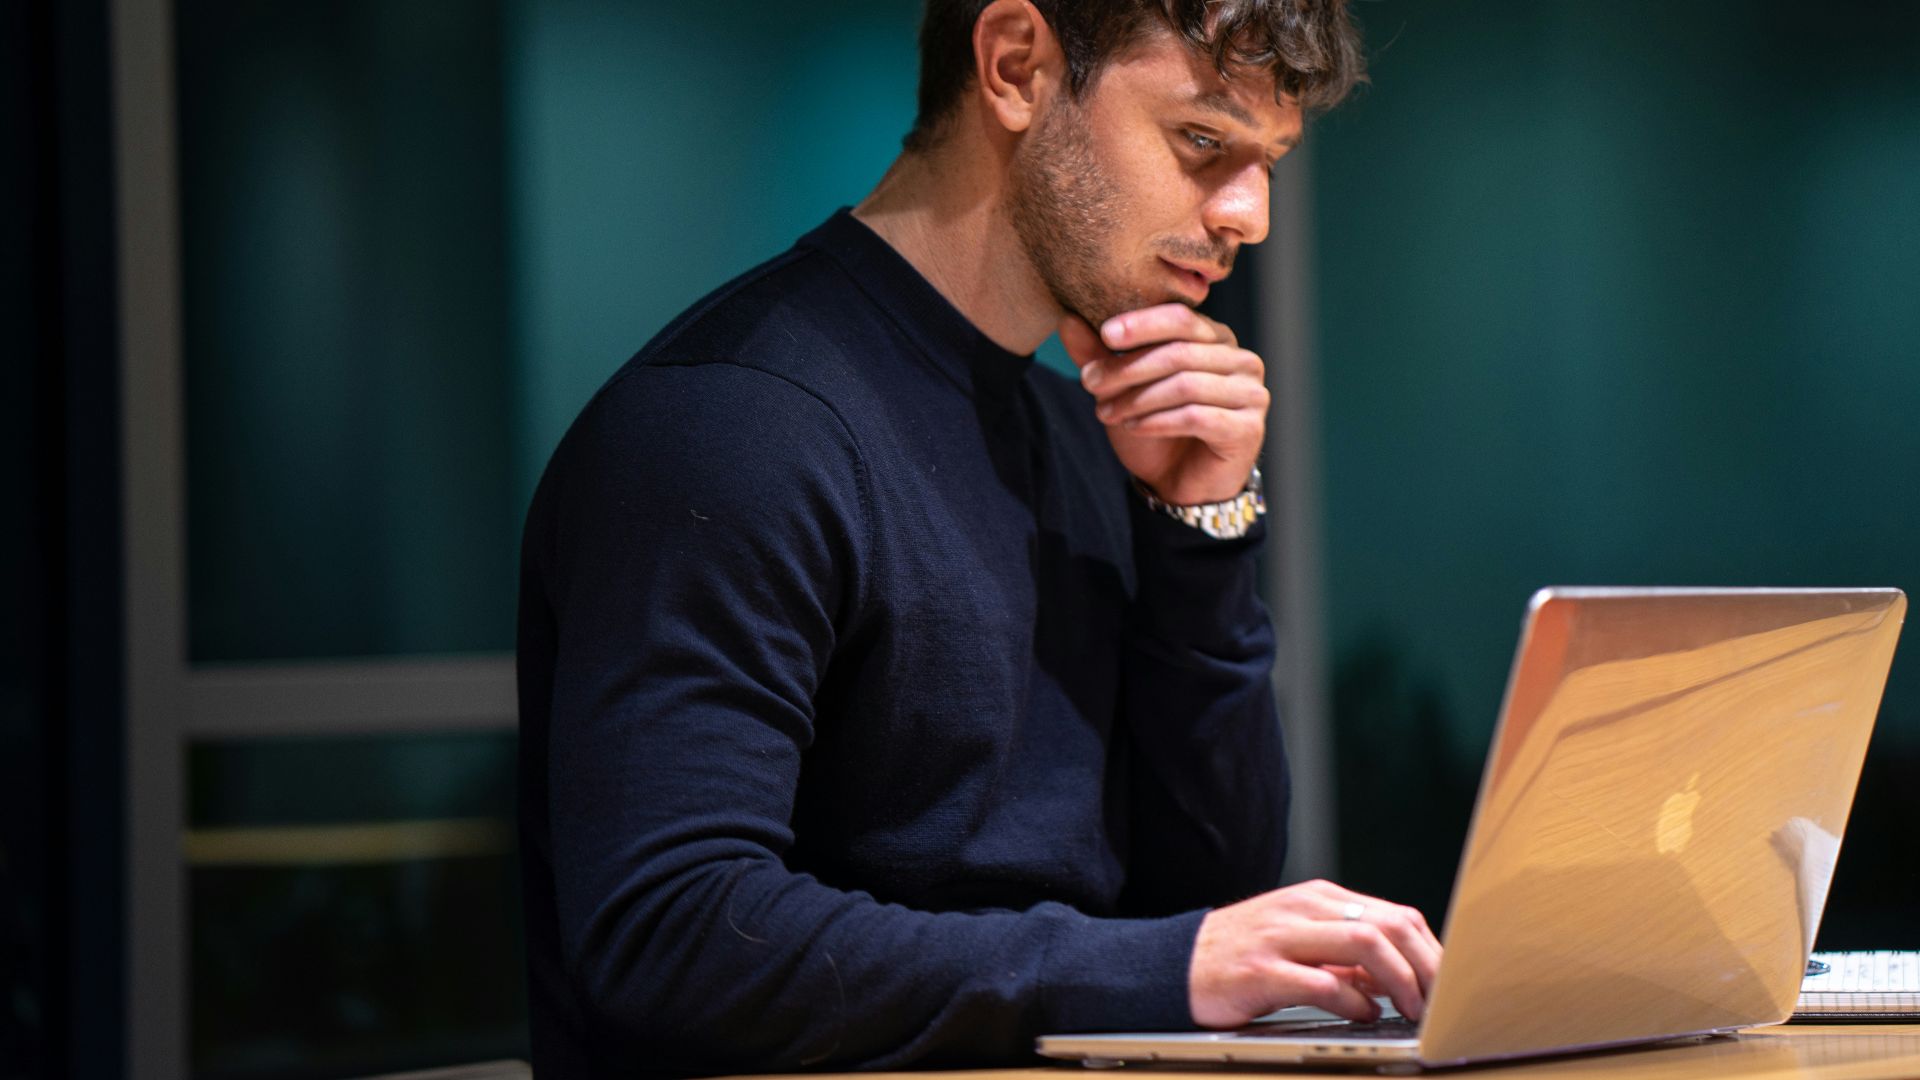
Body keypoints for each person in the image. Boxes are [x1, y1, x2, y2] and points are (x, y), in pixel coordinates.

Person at [515, 0, 1441, 1074]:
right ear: (1014, 66)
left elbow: (1207, 901)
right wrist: (1149, 971)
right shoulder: (731, 425)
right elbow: (668, 935)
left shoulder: (1086, 438)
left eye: (1269, 160)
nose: (1250, 215)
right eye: (1202, 142)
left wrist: (1199, 529)